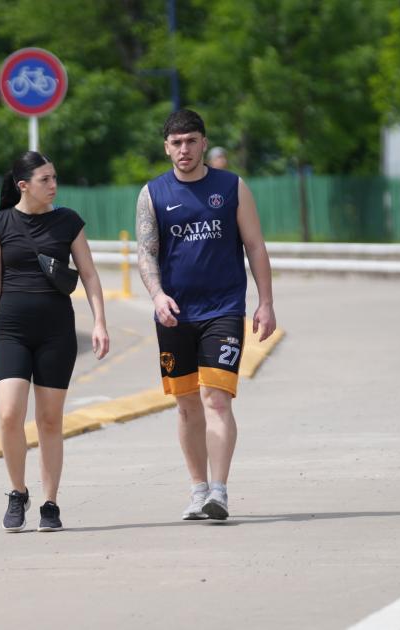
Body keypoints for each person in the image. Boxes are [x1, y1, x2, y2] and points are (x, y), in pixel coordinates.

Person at [135, 109, 276, 521]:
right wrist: (157, 295)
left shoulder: (232, 187)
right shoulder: (152, 194)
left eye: (191, 141)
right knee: (186, 405)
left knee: (216, 399)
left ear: (203, 143)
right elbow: (146, 251)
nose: (184, 149)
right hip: (175, 313)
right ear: (166, 147)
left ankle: (219, 491)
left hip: (223, 310)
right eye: (176, 143)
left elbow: (255, 245)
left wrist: (265, 302)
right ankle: (197, 490)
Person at [0, 151, 110, 533]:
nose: (54, 185)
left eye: (54, 177)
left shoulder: (68, 222)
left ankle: (50, 502)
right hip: (12, 331)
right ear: (24, 186)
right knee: (8, 414)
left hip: (56, 333)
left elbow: (89, 274)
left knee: (50, 420)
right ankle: (17, 492)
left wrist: (100, 322)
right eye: (45, 179)